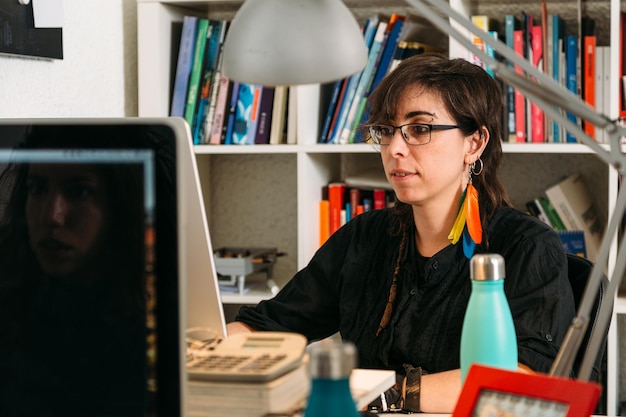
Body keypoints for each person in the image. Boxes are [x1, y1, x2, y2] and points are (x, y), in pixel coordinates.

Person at [227, 53, 575, 412]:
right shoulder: (364, 238)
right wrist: (212, 351)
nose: (394, 148)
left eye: (420, 129)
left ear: (474, 143)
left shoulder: (526, 246)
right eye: (386, 130)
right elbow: (268, 325)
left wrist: (384, 392)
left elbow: (519, 383)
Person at [0, 124, 178, 417]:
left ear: (120, 205)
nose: (52, 216)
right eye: (37, 189)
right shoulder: (11, 291)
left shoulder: (147, 308)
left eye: (79, 191)